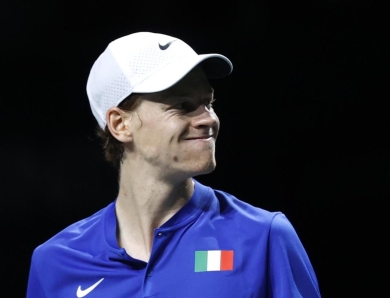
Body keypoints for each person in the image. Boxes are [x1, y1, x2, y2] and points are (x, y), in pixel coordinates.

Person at [26, 32, 321, 297]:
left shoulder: (263, 236)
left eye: (208, 103)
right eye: (182, 106)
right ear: (120, 124)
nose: (209, 119)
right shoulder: (55, 263)